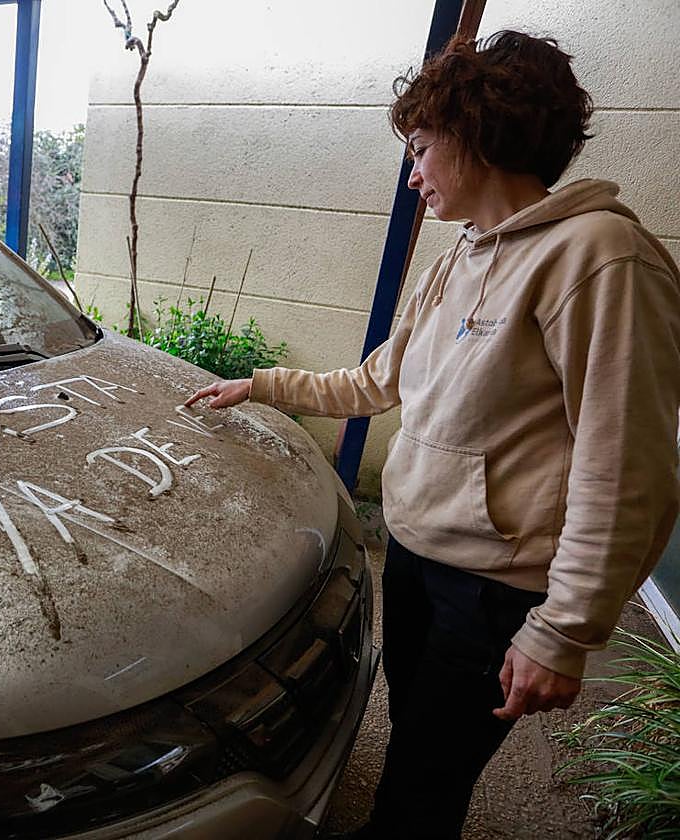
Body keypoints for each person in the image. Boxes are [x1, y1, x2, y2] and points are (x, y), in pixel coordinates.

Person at [187, 30, 680, 840]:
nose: (412, 174)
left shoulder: (600, 257)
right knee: (415, 740)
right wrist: (265, 386)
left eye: (421, 149)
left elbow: (626, 466)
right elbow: (379, 380)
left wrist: (563, 630)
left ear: (475, 133)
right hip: (415, 555)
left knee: (422, 783)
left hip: (494, 589)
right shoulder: (457, 258)